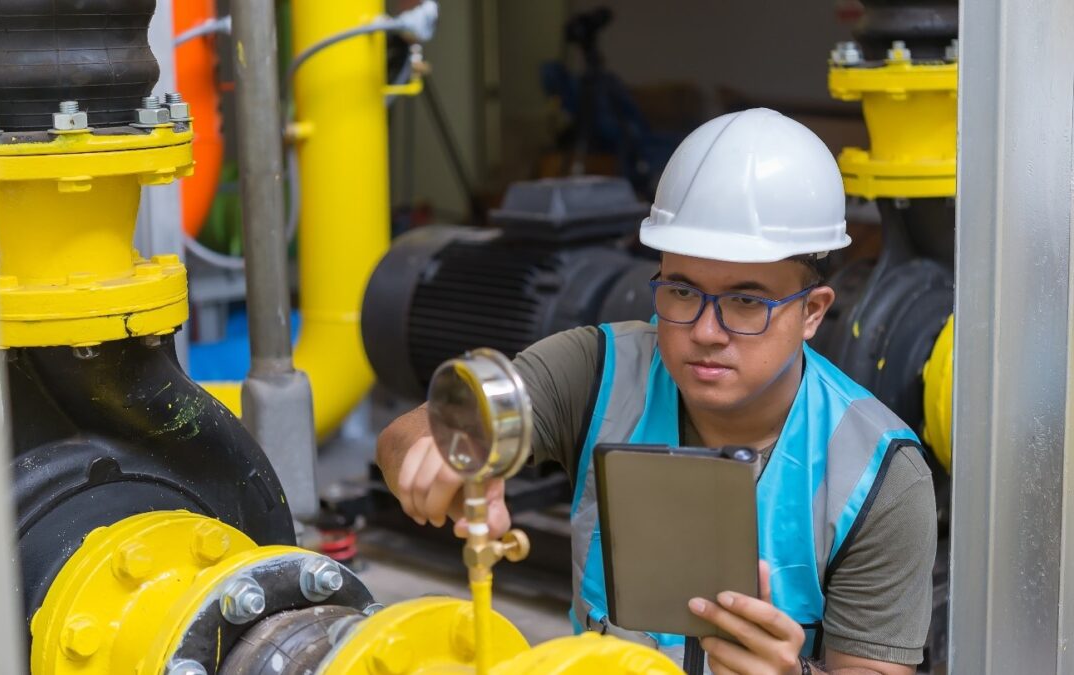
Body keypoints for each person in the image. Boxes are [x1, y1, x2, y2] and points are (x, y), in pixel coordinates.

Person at [376, 108, 937, 675]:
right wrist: (441, 454)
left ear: (812, 312)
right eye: (682, 291)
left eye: (746, 301)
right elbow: (414, 430)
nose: (706, 332)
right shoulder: (594, 370)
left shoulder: (878, 472)